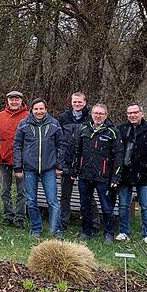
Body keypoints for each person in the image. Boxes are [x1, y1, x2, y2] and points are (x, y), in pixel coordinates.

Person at [70, 103, 123, 243]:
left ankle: (109, 233)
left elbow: (119, 156)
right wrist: (74, 170)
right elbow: (77, 151)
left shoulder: (113, 132)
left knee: (106, 207)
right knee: (85, 205)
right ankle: (87, 231)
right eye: (95, 113)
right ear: (91, 114)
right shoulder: (84, 129)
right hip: (85, 175)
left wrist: (115, 177)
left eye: (101, 114)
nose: (98, 116)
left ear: (106, 115)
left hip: (103, 177)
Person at [14, 99, 64, 239]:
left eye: (41, 109)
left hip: (49, 168)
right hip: (30, 168)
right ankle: (36, 228)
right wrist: (18, 166)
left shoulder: (54, 124)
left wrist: (59, 165)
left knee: (53, 201)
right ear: (31, 110)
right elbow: (17, 146)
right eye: (36, 109)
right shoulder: (23, 124)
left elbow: (61, 145)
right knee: (31, 200)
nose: (39, 112)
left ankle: (56, 230)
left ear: (46, 109)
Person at [116, 103, 147, 244]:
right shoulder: (121, 129)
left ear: (141, 113)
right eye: (130, 113)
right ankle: (124, 232)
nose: (132, 115)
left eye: (135, 112)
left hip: (145, 174)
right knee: (123, 205)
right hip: (125, 174)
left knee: (146, 206)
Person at [56, 92, 92, 231]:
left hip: (85, 162)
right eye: (74, 102)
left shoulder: (91, 118)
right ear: (71, 102)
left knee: (88, 194)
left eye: (79, 102)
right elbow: (57, 139)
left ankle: (91, 223)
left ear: (85, 102)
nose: (77, 104)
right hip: (67, 160)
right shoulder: (63, 118)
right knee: (65, 194)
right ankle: (63, 221)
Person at [0, 91, 29, 228]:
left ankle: (20, 216)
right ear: (7, 101)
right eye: (11, 100)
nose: (14, 102)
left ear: (21, 101)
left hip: (21, 160)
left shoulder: (28, 116)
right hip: (4, 159)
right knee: (5, 190)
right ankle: (8, 215)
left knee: (22, 191)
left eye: (17, 100)